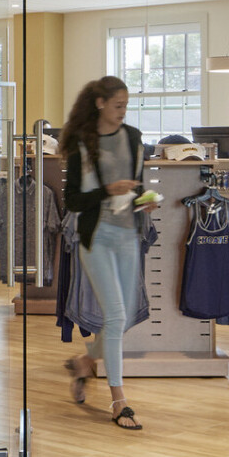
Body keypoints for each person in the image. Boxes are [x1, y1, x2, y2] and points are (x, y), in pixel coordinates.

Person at [61, 76, 154, 430]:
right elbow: (73, 201)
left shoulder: (133, 137)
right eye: (118, 106)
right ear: (100, 103)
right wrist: (106, 190)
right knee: (115, 315)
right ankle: (120, 401)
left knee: (125, 316)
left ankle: (84, 363)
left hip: (128, 234)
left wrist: (146, 201)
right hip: (96, 237)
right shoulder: (81, 144)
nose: (122, 112)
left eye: (126, 106)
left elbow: (139, 183)